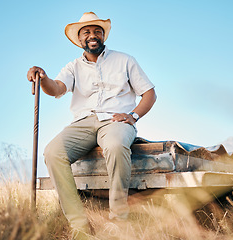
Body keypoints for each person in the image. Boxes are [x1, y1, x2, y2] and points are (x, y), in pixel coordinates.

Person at [27, 12, 156, 239]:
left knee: (116, 146)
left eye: (97, 31)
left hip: (115, 120)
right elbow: (56, 89)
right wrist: (43, 76)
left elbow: (149, 94)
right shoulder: (73, 67)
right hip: (83, 122)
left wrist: (133, 116)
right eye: (86, 32)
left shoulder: (125, 60)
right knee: (52, 152)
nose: (92, 35)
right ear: (79, 39)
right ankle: (79, 226)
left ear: (103, 35)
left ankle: (118, 221)